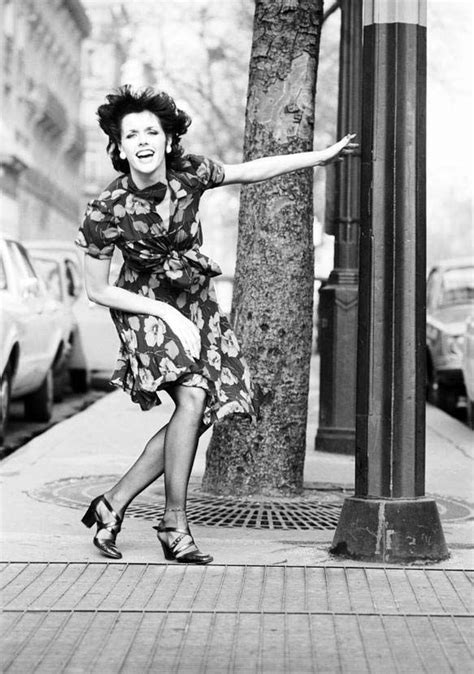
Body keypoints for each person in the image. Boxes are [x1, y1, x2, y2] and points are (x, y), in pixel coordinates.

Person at [77, 85, 356, 565]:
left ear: (167, 140)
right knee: (193, 396)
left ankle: (112, 505)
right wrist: (163, 313)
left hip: (195, 300)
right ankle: (174, 523)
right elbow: (96, 289)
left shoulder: (192, 174)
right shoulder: (106, 209)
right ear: (120, 148)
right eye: (130, 135)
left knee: (199, 408)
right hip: (142, 304)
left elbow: (252, 171)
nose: (142, 141)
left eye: (151, 131)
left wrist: (319, 157)